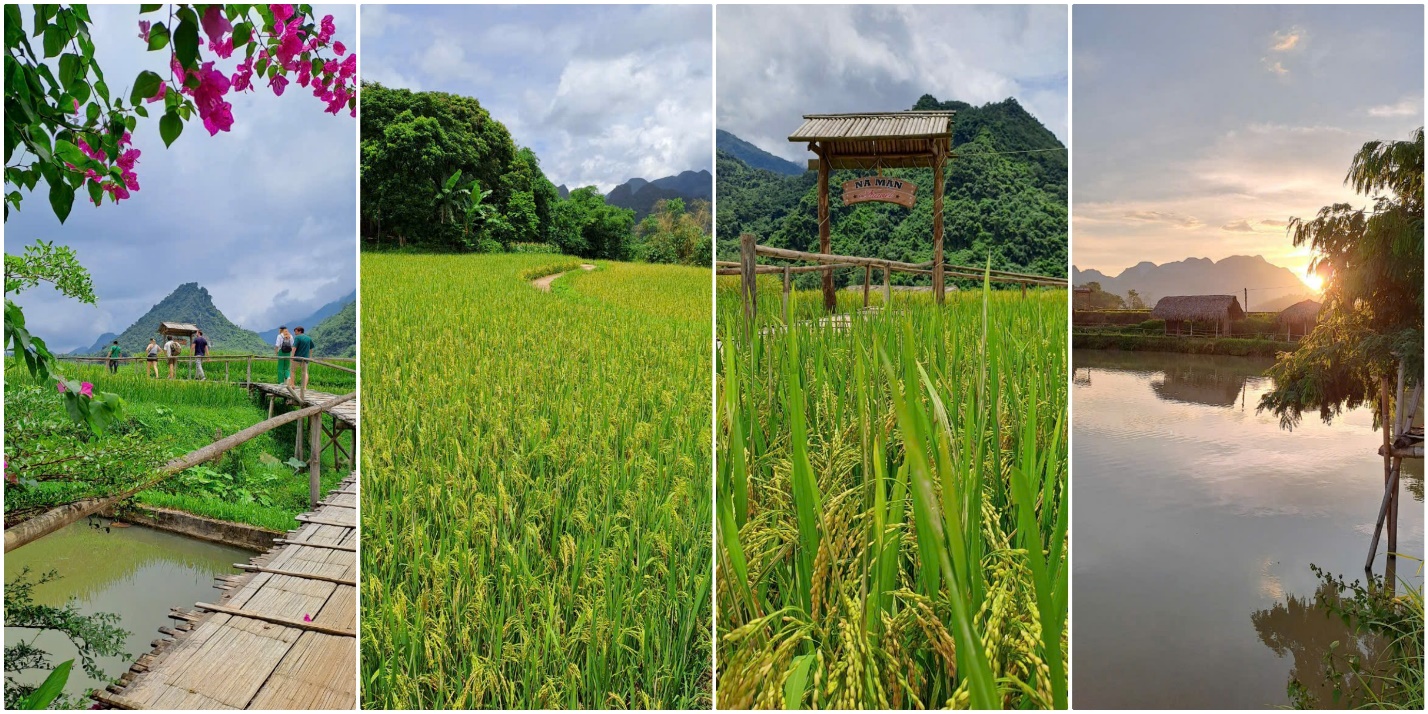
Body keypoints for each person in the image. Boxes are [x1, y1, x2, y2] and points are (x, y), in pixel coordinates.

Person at [292, 326, 314, 392]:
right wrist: (310, 357)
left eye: (295, 331)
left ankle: (292, 385)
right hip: (305, 358)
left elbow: (294, 348)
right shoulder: (308, 338)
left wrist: (292, 357)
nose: (295, 333)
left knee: (292, 371)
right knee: (305, 372)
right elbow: (311, 349)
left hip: (297, 358)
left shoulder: (297, 338)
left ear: (299, 331)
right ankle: (304, 387)